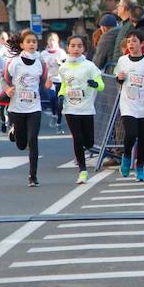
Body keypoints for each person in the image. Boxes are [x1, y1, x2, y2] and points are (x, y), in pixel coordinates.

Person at [3, 29, 52, 187]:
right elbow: (4, 80)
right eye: (28, 41)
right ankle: (15, 129)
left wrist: (47, 86)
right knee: (21, 144)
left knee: (33, 140)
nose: (32, 44)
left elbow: (43, 83)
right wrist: (7, 90)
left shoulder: (41, 63)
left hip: (34, 107)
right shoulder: (14, 62)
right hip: (16, 107)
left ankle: (33, 176)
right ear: (22, 44)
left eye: (34, 42)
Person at [115, 31, 144, 181]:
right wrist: (119, 78)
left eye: (134, 41)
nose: (131, 45)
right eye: (128, 42)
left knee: (143, 137)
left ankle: (140, 167)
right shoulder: (122, 60)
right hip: (128, 102)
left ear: (141, 44)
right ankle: (126, 158)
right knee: (131, 134)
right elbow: (118, 78)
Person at [58, 35, 103, 184]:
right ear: (68, 48)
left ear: (84, 48)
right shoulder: (63, 67)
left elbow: (101, 84)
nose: (76, 49)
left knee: (89, 142)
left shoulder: (89, 66)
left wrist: (95, 84)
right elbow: (65, 85)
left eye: (79, 46)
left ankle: (87, 149)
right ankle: (82, 171)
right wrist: (60, 96)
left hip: (86, 108)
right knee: (77, 138)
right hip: (70, 108)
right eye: (72, 46)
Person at [41, 32, 67, 129]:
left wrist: (60, 63)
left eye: (54, 40)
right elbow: (40, 66)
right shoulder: (43, 54)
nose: (52, 42)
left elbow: (66, 66)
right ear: (47, 41)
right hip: (50, 80)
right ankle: (53, 114)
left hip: (60, 80)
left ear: (57, 41)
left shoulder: (61, 52)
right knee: (52, 98)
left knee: (59, 101)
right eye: (50, 40)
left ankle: (59, 119)